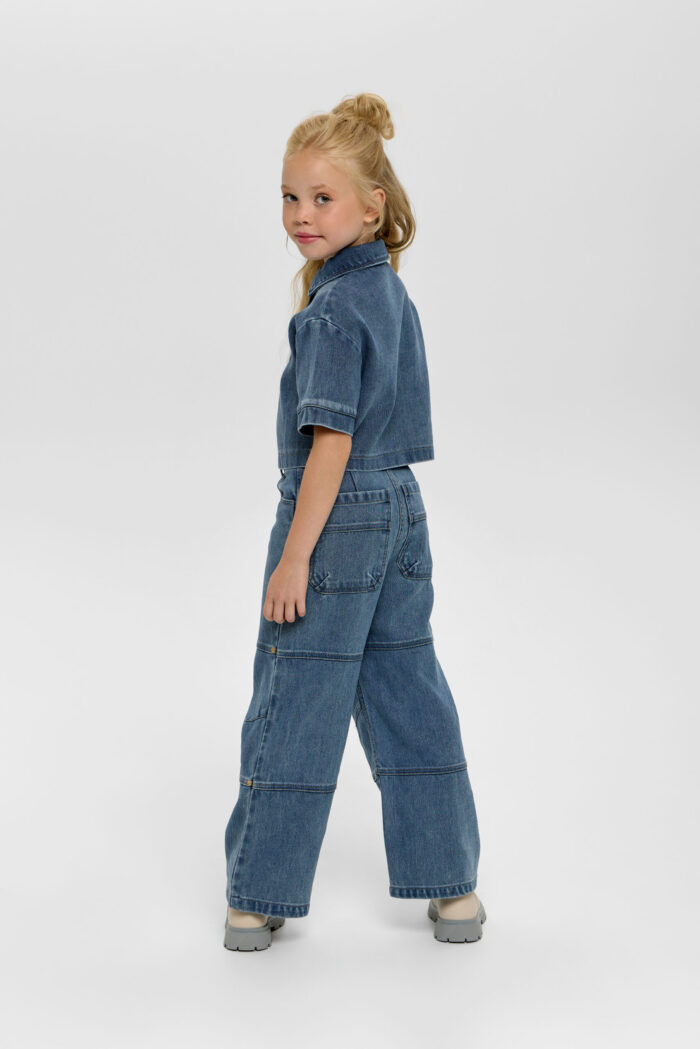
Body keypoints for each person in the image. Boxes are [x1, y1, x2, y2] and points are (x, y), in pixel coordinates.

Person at [223, 92, 485, 951]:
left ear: (372, 206)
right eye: (290, 197)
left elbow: (330, 444)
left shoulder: (332, 311)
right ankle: (453, 889)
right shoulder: (387, 293)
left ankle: (257, 896)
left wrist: (295, 557)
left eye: (322, 198)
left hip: (335, 521)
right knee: (409, 691)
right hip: (401, 511)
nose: (301, 215)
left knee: (297, 694)